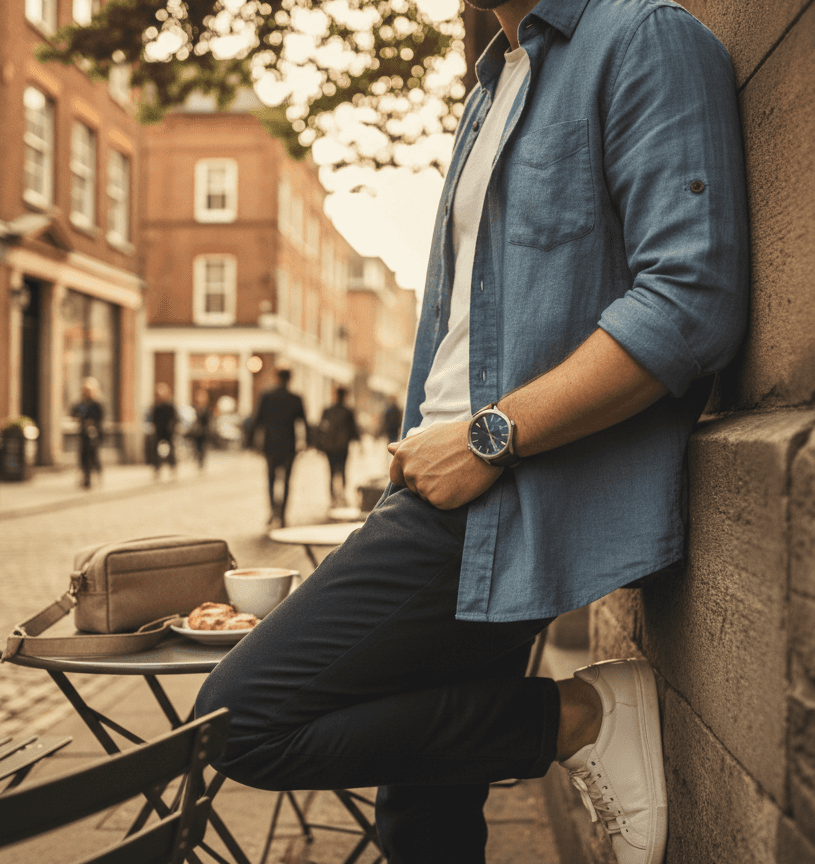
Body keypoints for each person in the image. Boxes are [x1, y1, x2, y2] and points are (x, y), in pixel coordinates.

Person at [197, 1, 748, 862]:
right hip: (443, 483)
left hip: (497, 490)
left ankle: (581, 716)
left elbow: (691, 300)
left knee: (239, 722)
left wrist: (489, 437)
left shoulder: (643, 39)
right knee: (422, 822)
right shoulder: (492, 87)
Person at [248, 369, 307, 527]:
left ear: (277, 378)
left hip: (270, 446)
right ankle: (283, 515)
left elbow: (256, 421)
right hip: (289, 446)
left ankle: (273, 512)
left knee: (271, 480)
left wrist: (251, 443)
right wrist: (307, 443)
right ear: (290, 379)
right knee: (287, 481)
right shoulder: (296, 399)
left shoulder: (267, 397)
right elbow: (304, 422)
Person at [315, 386, 360, 507]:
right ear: (345, 396)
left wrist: (319, 445)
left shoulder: (328, 410)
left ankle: (333, 497)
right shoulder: (348, 411)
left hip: (330, 447)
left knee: (331, 471)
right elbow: (353, 430)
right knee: (343, 470)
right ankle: (342, 494)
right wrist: (357, 442)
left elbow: (321, 428)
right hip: (342, 447)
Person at [71, 377, 104, 490]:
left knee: (93, 456)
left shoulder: (97, 404)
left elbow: (100, 418)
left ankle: (95, 476)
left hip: (95, 434)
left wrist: (93, 425)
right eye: (85, 390)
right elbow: (73, 412)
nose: (86, 393)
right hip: (84, 434)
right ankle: (86, 478)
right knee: (83, 456)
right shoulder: (81, 403)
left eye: (89, 391)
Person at [149, 382, 178, 478]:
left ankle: (172, 467)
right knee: (155, 450)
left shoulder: (170, 406)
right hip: (158, 431)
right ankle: (157, 468)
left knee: (171, 450)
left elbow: (175, 418)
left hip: (168, 432)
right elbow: (152, 418)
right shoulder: (156, 407)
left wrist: (173, 428)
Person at [186, 390, 213, 469]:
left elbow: (209, 421)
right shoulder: (195, 408)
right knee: (196, 446)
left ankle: (201, 461)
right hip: (196, 431)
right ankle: (198, 459)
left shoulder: (207, 409)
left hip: (204, 432)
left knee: (203, 447)